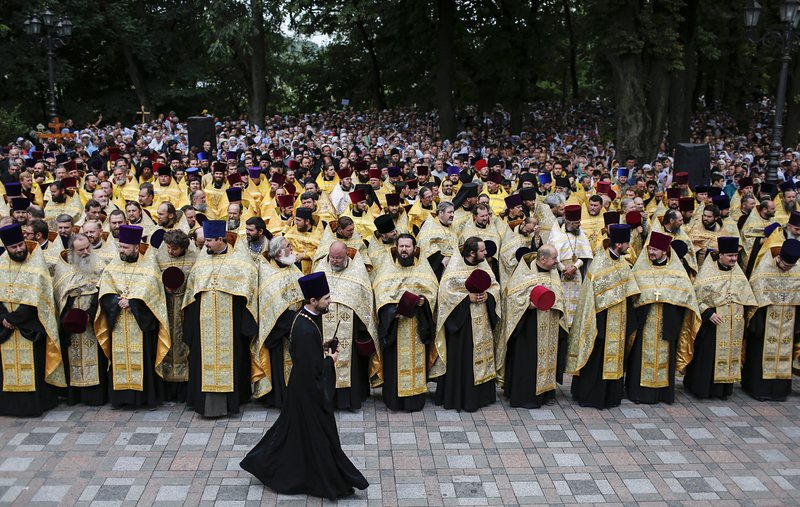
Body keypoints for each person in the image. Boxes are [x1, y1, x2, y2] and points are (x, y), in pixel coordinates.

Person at [240, 272, 369, 500]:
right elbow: (314, 371)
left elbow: (304, 350)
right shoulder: (306, 327)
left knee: (293, 431)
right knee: (317, 435)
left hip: (300, 386)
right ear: (313, 301)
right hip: (308, 392)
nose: (330, 302)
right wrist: (331, 360)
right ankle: (322, 479)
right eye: (326, 298)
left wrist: (321, 345)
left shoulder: (303, 318)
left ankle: (261, 461)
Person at [182, 219, 259, 417]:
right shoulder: (202, 261)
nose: (205, 244)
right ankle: (203, 404)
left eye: (209, 241)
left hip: (231, 325)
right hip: (204, 325)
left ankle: (232, 403)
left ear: (220, 239)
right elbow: (192, 294)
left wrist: (245, 326)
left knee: (233, 361)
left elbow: (249, 292)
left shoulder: (241, 262)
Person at [95, 224, 170, 408]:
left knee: (144, 359)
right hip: (118, 322)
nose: (122, 250)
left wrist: (134, 303)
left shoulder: (149, 267)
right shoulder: (113, 266)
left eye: (125, 247)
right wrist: (115, 301)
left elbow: (155, 297)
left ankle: (145, 398)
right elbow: (104, 291)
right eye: (120, 246)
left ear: (136, 247)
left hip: (141, 325)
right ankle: (121, 399)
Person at [567, 224, 640, 409]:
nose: (629, 248)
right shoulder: (599, 265)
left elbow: (629, 290)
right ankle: (592, 396)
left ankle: (611, 396)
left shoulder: (623, 264)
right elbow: (592, 299)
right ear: (618, 245)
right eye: (626, 244)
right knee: (596, 359)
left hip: (619, 320)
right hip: (600, 323)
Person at [679, 237, 758, 400]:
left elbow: (747, 297)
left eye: (736, 255)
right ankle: (703, 389)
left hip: (733, 325)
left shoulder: (737, 273)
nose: (734, 259)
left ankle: (723, 390)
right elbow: (697, 298)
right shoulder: (708, 272)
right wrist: (708, 313)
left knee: (729, 355)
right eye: (730, 255)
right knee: (707, 357)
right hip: (712, 325)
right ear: (721, 255)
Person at [0, 223, 65, 416]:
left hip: (30, 327)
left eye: (21, 244)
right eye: (14, 247)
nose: (19, 249)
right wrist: (4, 318)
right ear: (6, 247)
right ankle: (8, 406)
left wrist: (14, 319)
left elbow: (38, 298)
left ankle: (37, 405)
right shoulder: (1, 264)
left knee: (34, 367)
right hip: (5, 329)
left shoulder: (36, 263)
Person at [626, 232, 699, 405]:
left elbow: (687, 299)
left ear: (665, 251)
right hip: (644, 322)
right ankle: (638, 393)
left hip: (668, 323)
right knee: (639, 357)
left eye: (655, 249)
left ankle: (663, 394)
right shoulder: (641, 269)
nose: (651, 252)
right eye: (650, 248)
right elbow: (633, 295)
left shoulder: (677, 273)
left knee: (666, 357)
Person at [432, 236, 501, 412]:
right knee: (463, 359)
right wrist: (466, 298)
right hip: (462, 325)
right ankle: (462, 397)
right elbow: (445, 295)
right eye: (482, 250)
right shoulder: (454, 270)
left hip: (482, 321)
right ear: (471, 253)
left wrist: (489, 296)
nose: (486, 253)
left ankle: (481, 397)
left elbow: (495, 286)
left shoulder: (484, 265)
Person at [372, 234, 438, 411]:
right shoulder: (387, 270)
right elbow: (380, 297)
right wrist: (393, 311)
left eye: (408, 247)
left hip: (417, 326)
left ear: (415, 248)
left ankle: (415, 400)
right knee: (394, 364)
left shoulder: (424, 270)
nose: (404, 250)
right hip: (396, 328)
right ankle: (394, 400)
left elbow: (433, 293)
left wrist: (424, 301)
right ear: (396, 248)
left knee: (417, 362)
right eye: (401, 246)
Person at [497, 244, 568, 408]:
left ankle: (546, 394)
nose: (557, 262)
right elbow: (512, 298)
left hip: (550, 324)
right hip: (528, 328)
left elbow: (559, 295)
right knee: (528, 361)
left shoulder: (553, 273)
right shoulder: (524, 273)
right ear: (543, 259)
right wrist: (528, 305)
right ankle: (526, 396)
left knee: (549, 359)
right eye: (554, 258)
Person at [314, 241, 380, 410]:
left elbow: (365, 301)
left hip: (351, 328)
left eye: (339, 258)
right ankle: (327, 399)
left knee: (351, 364)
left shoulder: (357, 272)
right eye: (333, 257)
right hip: (324, 326)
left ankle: (348, 401)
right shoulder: (320, 269)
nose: (335, 261)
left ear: (346, 255)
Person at [742, 239, 800, 401]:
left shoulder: (797, 271)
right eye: (785, 265)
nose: (787, 269)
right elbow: (755, 301)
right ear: (779, 258)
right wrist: (755, 326)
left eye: (790, 267)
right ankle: (758, 389)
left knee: (784, 353)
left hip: (788, 322)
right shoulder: (763, 272)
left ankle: (780, 391)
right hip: (765, 322)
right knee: (760, 354)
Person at [53, 233, 108, 406]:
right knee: (72, 357)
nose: (85, 252)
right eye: (80, 250)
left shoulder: (99, 265)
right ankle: (75, 396)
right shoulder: (63, 268)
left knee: (97, 358)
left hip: (93, 322)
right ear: (72, 251)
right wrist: (69, 314)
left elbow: (104, 290)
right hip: (72, 323)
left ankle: (96, 396)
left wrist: (91, 313)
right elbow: (59, 295)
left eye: (87, 248)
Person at [253, 236, 304, 408]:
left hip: (296, 325)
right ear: (278, 252)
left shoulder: (293, 267)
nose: (292, 248)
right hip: (279, 330)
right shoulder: (267, 273)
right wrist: (289, 322)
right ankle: (281, 398)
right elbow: (270, 305)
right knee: (280, 365)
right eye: (288, 246)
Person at [155, 229, 197, 402]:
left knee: (184, 346)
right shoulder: (159, 258)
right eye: (168, 247)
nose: (169, 251)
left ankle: (183, 391)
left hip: (185, 309)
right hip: (165, 308)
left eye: (173, 248)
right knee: (166, 345)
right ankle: (166, 389)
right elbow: (152, 281)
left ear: (183, 247)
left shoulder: (195, 259)